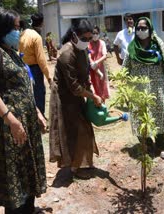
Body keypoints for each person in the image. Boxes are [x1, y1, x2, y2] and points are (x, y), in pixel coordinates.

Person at [0, 10, 47, 213]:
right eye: (15, 28)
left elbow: (23, 88)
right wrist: (12, 121)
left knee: (28, 169)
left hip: (27, 123)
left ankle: (29, 208)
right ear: (2, 29)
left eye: (19, 28)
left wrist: (36, 112)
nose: (18, 32)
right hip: (13, 127)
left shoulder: (12, 53)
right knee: (16, 173)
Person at [49, 20, 102, 178]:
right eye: (84, 38)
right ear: (74, 35)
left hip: (78, 94)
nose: (86, 42)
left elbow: (84, 76)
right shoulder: (66, 53)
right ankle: (74, 168)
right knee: (70, 131)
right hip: (64, 96)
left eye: (89, 38)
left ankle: (81, 163)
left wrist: (91, 91)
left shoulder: (83, 50)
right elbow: (73, 86)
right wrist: (92, 96)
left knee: (83, 127)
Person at [122, 17, 164, 159]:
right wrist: (125, 90)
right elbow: (125, 69)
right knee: (140, 118)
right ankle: (148, 145)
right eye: (138, 28)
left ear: (150, 29)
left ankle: (162, 144)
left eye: (143, 28)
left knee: (160, 116)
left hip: (157, 87)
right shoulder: (132, 47)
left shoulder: (158, 45)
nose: (140, 30)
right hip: (138, 90)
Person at [19, 13, 51, 115]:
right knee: (39, 93)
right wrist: (49, 77)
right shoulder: (36, 37)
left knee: (26, 93)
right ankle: (40, 118)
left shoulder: (23, 33)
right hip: (35, 69)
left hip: (22, 66)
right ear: (42, 23)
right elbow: (41, 59)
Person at [88, 26, 110, 102]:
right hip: (91, 70)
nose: (95, 35)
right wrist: (92, 63)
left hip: (101, 68)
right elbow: (89, 56)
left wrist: (97, 62)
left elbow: (105, 55)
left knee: (102, 88)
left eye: (96, 33)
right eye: (93, 33)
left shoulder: (102, 43)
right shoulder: (88, 43)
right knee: (93, 89)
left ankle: (103, 106)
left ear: (99, 34)